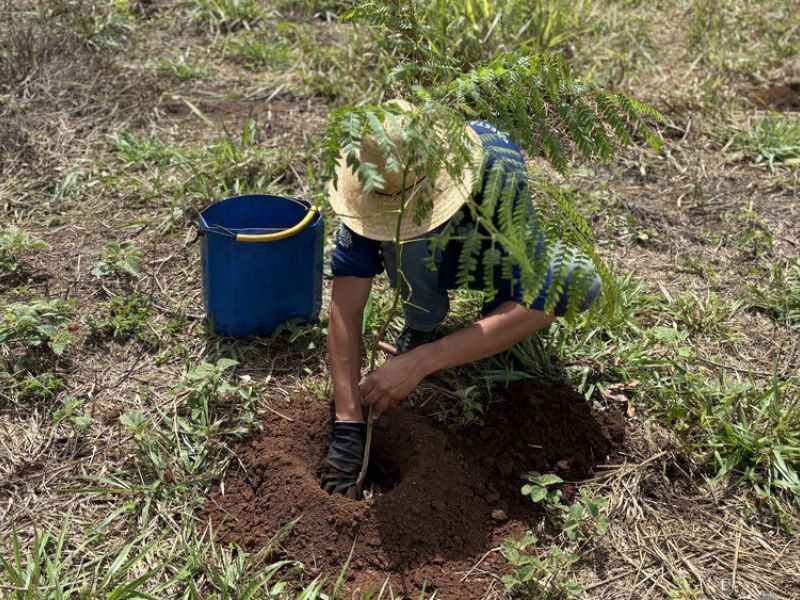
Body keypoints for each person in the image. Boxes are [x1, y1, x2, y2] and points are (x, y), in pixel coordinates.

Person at [319, 102, 601, 495]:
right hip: (429, 261)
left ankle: (489, 322)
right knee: (409, 240)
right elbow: (345, 308)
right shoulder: (376, 181)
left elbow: (541, 302)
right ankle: (423, 323)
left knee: (577, 281)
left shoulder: (495, 166)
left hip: (491, 256)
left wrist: (419, 363)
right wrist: (348, 422)